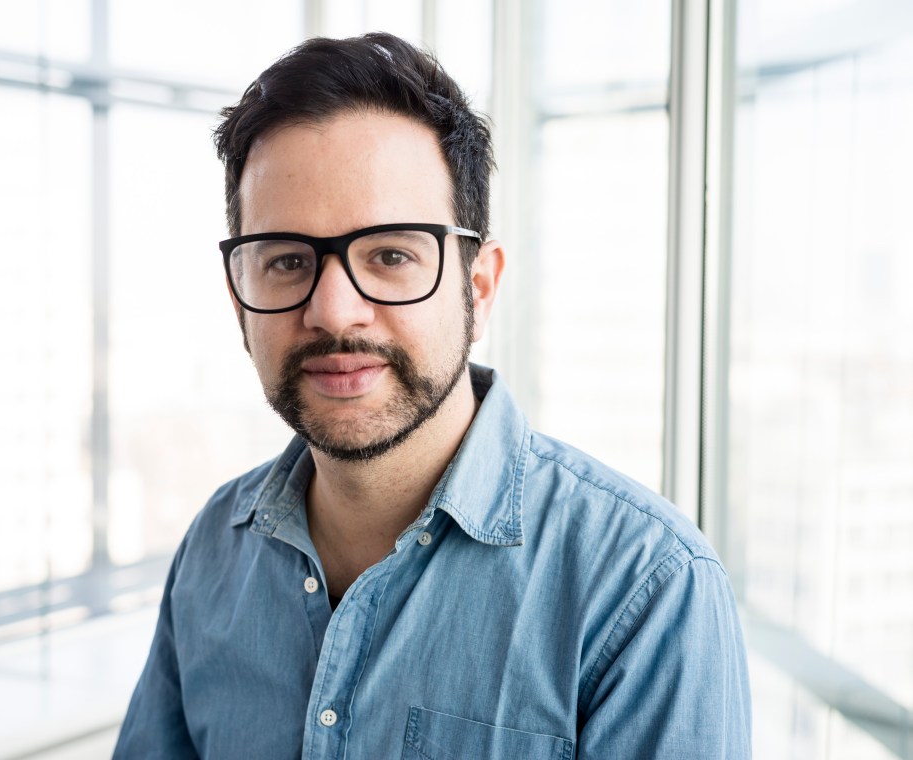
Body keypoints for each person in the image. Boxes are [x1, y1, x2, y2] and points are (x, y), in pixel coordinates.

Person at [114, 32, 751, 760]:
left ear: (478, 289)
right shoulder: (211, 553)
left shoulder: (647, 588)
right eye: (287, 261)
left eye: (390, 255)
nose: (333, 310)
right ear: (238, 303)